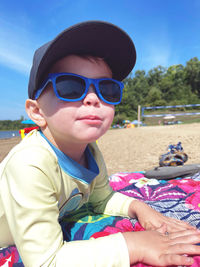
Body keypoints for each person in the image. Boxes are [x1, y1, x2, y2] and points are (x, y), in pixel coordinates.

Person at [0, 20, 200, 267]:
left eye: (107, 89)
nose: (93, 98)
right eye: (70, 87)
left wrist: (138, 207)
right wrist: (134, 245)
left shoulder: (91, 151)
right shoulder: (29, 164)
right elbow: (45, 261)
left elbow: (101, 199)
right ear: (37, 111)